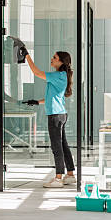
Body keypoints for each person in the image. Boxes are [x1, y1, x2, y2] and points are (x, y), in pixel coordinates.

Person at [23, 49, 75, 188]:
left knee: (56, 147)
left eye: (54, 57)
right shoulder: (62, 75)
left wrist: (27, 56)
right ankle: (70, 175)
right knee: (63, 146)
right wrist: (36, 102)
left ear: (61, 61)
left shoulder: (58, 75)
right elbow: (52, 98)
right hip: (60, 114)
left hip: (55, 116)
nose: (51, 59)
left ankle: (58, 178)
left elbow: (36, 72)